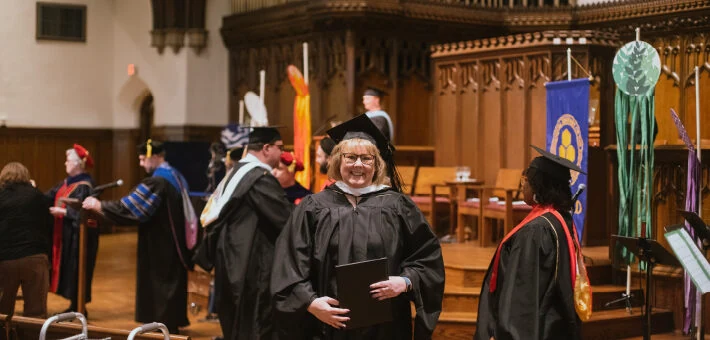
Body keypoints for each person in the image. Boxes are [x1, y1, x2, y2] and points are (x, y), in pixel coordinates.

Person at [271, 114, 445, 340]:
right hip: (326, 325)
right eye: (350, 157)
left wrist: (404, 282)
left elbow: (427, 259)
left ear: (377, 164)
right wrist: (311, 303)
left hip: (386, 326)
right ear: (337, 161)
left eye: (366, 158)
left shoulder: (398, 206)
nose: (358, 165)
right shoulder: (312, 208)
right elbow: (289, 263)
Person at [474, 145, 589, 340]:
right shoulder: (560, 220)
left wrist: (505, 334)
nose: (523, 186)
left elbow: (522, 297)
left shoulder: (536, 232)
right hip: (553, 327)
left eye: (526, 181)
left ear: (539, 186)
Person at [82, 139, 197, 334]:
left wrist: (100, 206)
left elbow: (132, 208)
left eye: (144, 158)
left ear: (156, 157)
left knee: (161, 286)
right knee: (171, 284)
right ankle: (171, 324)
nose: (141, 163)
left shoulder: (158, 181)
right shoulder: (175, 175)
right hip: (173, 243)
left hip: (161, 246)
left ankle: (162, 326)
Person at [196, 126, 293, 340]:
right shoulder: (258, 178)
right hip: (250, 266)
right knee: (254, 325)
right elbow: (286, 218)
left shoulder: (237, 172)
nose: (283, 154)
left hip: (231, 261)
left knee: (237, 325)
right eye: (280, 148)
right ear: (266, 148)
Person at [45, 144, 98, 315]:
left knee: (77, 269)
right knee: (69, 270)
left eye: (68, 161)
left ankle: (79, 306)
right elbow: (48, 197)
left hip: (79, 238)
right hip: (65, 235)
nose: (65, 164)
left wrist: (64, 211)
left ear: (77, 164)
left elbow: (86, 213)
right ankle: (74, 306)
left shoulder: (85, 186)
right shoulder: (66, 183)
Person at [0, 162, 53, 318]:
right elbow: (49, 224)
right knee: (36, 313)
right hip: (35, 257)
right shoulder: (37, 196)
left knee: (2, 312)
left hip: (5, 260)